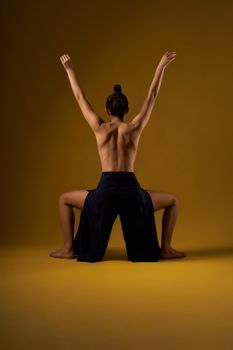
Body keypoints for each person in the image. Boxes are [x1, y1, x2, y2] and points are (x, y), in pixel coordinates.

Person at [49, 51, 186, 261]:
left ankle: (68, 248)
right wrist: (161, 66)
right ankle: (166, 248)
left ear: (106, 109)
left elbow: (79, 98)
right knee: (173, 201)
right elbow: (152, 97)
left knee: (64, 199)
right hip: (132, 192)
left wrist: (69, 70)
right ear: (127, 110)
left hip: (105, 191)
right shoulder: (134, 127)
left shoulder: (99, 128)